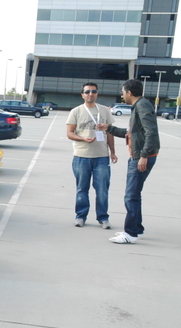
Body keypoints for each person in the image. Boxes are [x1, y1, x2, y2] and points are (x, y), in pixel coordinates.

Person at [97, 79, 160, 244]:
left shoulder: (142, 106)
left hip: (141, 157)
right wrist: (108, 128)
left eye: (123, 92)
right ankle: (137, 229)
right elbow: (132, 133)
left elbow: (151, 132)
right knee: (134, 195)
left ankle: (130, 233)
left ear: (130, 93)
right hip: (138, 155)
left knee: (130, 196)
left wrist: (143, 156)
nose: (122, 94)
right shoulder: (139, 106)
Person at [66, 82, 117, 229]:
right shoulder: (76, 111)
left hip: (101, 156)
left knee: (102, 189)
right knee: (82, 188)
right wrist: (82, 139)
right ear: (82, 94)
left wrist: (112, 152)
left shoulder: (105, 111)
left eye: (93, 91)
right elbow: (69, 133)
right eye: (87, 92)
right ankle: (80, 216)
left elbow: (110, 132)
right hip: (81, 156)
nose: (90, 94)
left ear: (97, 93)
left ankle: (103, 218)